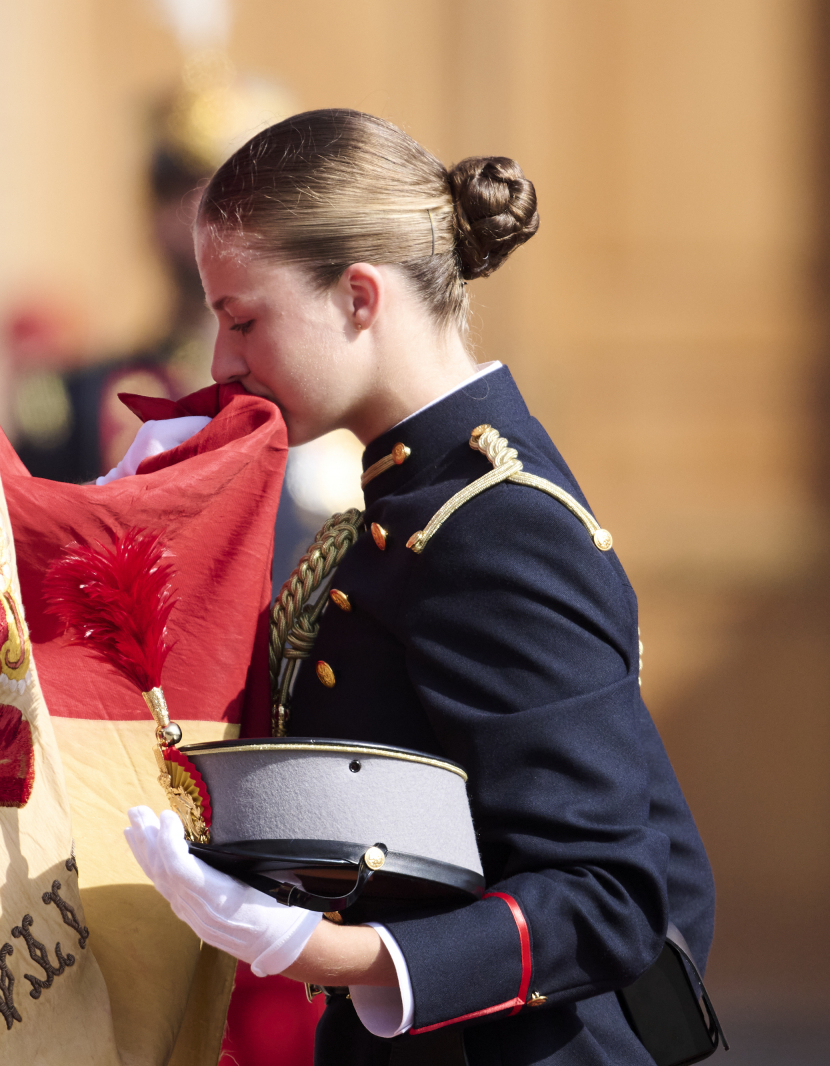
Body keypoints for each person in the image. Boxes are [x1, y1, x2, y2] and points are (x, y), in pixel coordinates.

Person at [122, 109, 715, 1065]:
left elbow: (614, 894)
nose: (224, 363)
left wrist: (335, 953)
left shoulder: (496, 523)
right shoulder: (407, 500)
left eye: (243, 320)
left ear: (360, 297)